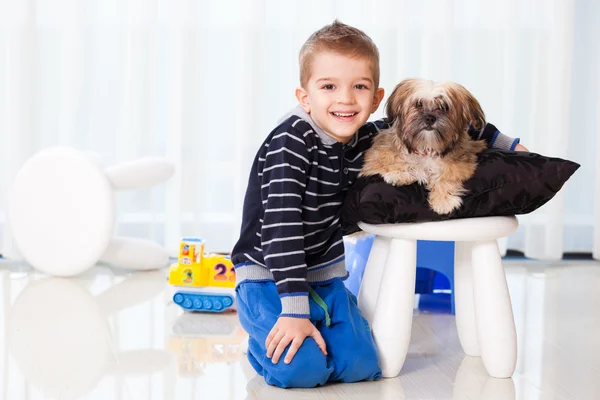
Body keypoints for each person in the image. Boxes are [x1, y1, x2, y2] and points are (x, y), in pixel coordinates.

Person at [231, 20, 525, 389]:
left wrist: (507, 144)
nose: (345, 99)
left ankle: (316, 335)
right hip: (270, 277)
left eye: (359, 87)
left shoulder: (363, 133)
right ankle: (262, 341)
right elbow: (280, 228)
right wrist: (293, 311)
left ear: (375, 98)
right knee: (301, 370)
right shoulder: (291, 141)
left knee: (363, 365)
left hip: (322, 276)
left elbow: (452, 122)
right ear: (305, 97)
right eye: (328, 87)